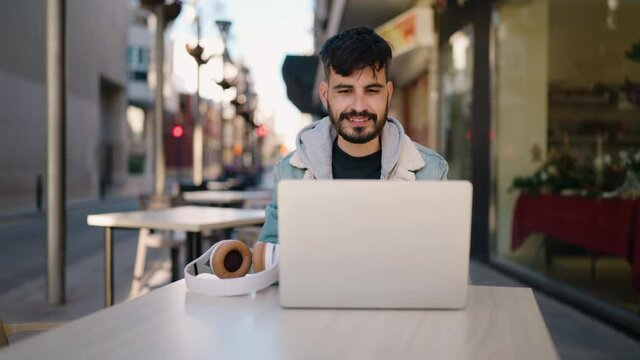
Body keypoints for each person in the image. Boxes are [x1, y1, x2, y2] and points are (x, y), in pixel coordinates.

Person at [258, 27, 448, 244]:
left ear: (388, 94)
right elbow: (269, 259)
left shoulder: (431, 171)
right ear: (324, 95)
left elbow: (447, 265)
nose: (359, 107)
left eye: (372, 90)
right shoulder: (290, 172)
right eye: (345, 91)